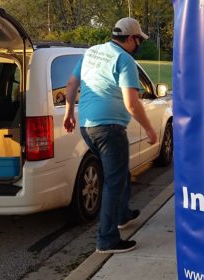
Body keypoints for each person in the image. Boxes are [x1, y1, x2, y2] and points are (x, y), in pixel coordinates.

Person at [63, 17, 157, 254]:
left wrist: (69, 114)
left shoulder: (92, 52)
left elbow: (72, 84)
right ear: (131, 39)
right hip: (109, 128)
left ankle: (122, 214)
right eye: (139, 40)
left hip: (87, 126)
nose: (139, 45)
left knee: (118, 171)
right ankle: (107, 240)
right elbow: (132, 103)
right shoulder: (124, 59)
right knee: (114, 181)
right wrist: (148, 128)